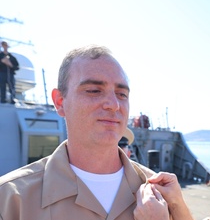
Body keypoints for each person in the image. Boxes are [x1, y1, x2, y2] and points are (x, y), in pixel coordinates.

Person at [0, 45, 170, 220]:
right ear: (59, 102)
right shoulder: (9, 199)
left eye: (122, 94)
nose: (114, 104)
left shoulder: (161, 192)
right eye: (94, 91)